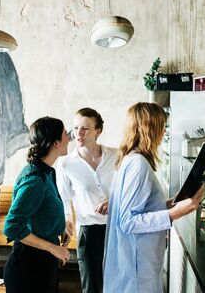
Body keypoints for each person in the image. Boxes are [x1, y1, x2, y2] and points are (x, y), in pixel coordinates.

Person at [103, 102, 205, 293]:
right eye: (162, 126)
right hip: (136, 268)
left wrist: (173, 203)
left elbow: (143, 206)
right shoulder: (138, 164)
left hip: (138, 262)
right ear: (148, 128)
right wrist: (173, 213)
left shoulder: (131, 158)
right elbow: (128, 221)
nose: (165, 131)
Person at [3, 117, 71, 293]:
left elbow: (42, 210)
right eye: (65, 134)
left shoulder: (48, 172)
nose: (69, 138)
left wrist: (60, 228)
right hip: (28, 267)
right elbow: (12, 227)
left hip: (44, 262)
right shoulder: (35, 179)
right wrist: (52, 247)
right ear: (55, 143)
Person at [57, 108, 117, 293]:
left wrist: (113, 201)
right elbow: (65, 199)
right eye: (75, 128)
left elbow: (126, 191)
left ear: (98, 131)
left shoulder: (116, 156)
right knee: (92, 287)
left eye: (85, 129)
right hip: (89, 232)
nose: (78, 134)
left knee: (117, 284)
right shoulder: (65, 164)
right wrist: (68, 221)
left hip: (118, 228)